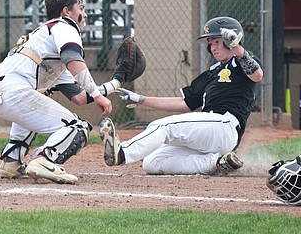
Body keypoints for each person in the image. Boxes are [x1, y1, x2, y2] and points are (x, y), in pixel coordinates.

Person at [0, 0, 123, 184]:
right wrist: (98, 96)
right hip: (12, 91)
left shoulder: (46, 38)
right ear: (66, 11)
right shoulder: (65, 26)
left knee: (37, 100)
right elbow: (74, 61)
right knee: (78, 128)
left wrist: (115, 83)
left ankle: (11, 162)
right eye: (81, 8)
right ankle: (44, 160)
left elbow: (79, 97)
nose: (85, 14)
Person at [99, 16, 263, 175]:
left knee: (163, 127)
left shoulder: (241, 61)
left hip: (224, 126)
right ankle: (218, 163)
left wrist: (237, 48)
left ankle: (122, 153)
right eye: (210, 43)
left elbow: (257, 75)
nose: (212, 47)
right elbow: (184, 103)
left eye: (217, 42)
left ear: (230, 40)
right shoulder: (212, 72)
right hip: (210, 131)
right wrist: (140, 99)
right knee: (152, 162)